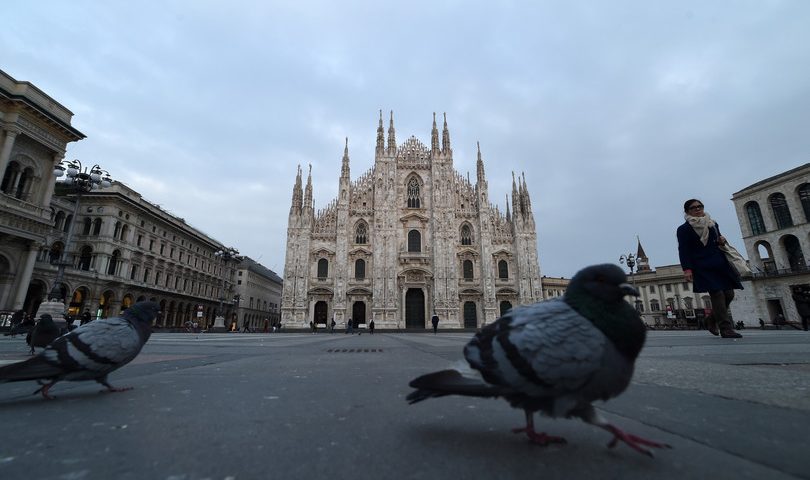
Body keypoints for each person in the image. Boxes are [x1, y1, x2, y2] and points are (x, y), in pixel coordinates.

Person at [677, 199, 743, 338]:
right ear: (687, 211)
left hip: (719, 262)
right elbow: (683, 250)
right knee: (717, 293)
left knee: (729, 294)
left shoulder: (712, 224)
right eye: (693, 207)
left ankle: (711, 319)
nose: (697, 209)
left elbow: (718, 239)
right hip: (701, 265)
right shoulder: (684, 229)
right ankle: (726, 328)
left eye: (700, 206)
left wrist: (721, 240)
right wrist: (687, 269)